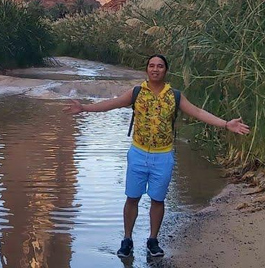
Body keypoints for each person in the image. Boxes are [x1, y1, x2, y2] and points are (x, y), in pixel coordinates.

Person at [65, 54, 250, 258]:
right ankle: (127, 239)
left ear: (165, 70)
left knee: (158, 199)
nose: (155, 69)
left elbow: (197, 112)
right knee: (132, 198)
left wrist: (226, 124)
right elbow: (114, 103)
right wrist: (84, 108)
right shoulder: (136, 92)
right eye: (151, 66)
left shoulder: (175, 95)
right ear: (147, 70)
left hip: (163, 156)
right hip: (138, 153)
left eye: (160, 66)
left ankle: (153, 240)